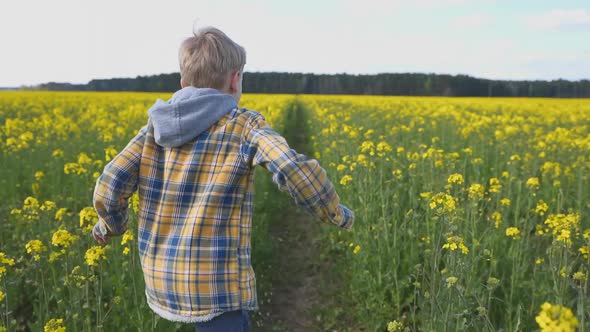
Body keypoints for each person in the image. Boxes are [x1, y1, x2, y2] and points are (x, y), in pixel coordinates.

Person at [91, 26, 354, 331]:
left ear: (183, 81)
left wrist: (110, 226)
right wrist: (334, 212)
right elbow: (292, 167)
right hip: (216, 286)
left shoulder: (153, 129)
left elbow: (110, 183)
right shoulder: (244, 125)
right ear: (235, 79)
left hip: (163, 279)